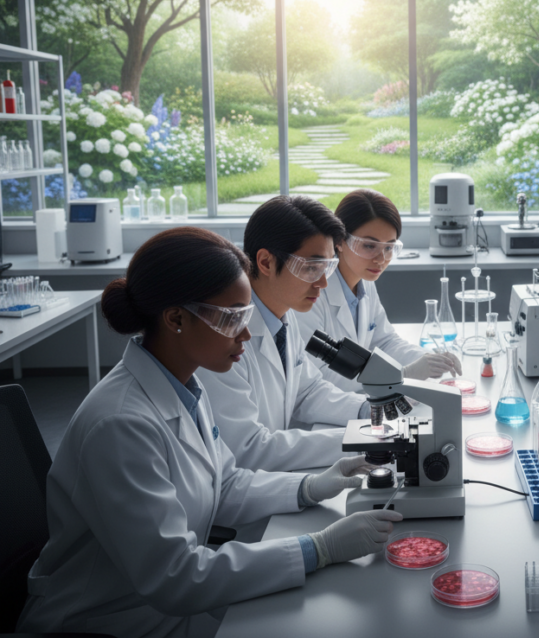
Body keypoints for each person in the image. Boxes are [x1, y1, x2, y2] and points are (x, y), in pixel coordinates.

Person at [17, 228, 402, 638]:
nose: (245, 334)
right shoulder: (120, 424)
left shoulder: (184, 385)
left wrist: (311, 486)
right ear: (176, 318)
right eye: (230, 317)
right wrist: (318, 549)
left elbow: (226, 485)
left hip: (164, 611)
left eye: (246, 315)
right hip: (111, 622)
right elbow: (175, 578)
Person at [197, 196, 373, 472]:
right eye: (311, 267)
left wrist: (367, 411)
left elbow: (307, 390)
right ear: (266, 262)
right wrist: (360, 439)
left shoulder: (283, 313)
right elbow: (247, 449)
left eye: (328, 267)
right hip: (242, 497)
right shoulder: (223, 337)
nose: (323, 282)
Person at [294, 188, 461, 391]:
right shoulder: (312, 293)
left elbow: (384, 341)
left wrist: (425, 359)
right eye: (369, 246)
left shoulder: (365, 282)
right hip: (323, 415)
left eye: (389, 248)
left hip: (359, 402)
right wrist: (404, 375)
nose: (381, 259)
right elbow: (319, 377)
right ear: (340, 241)